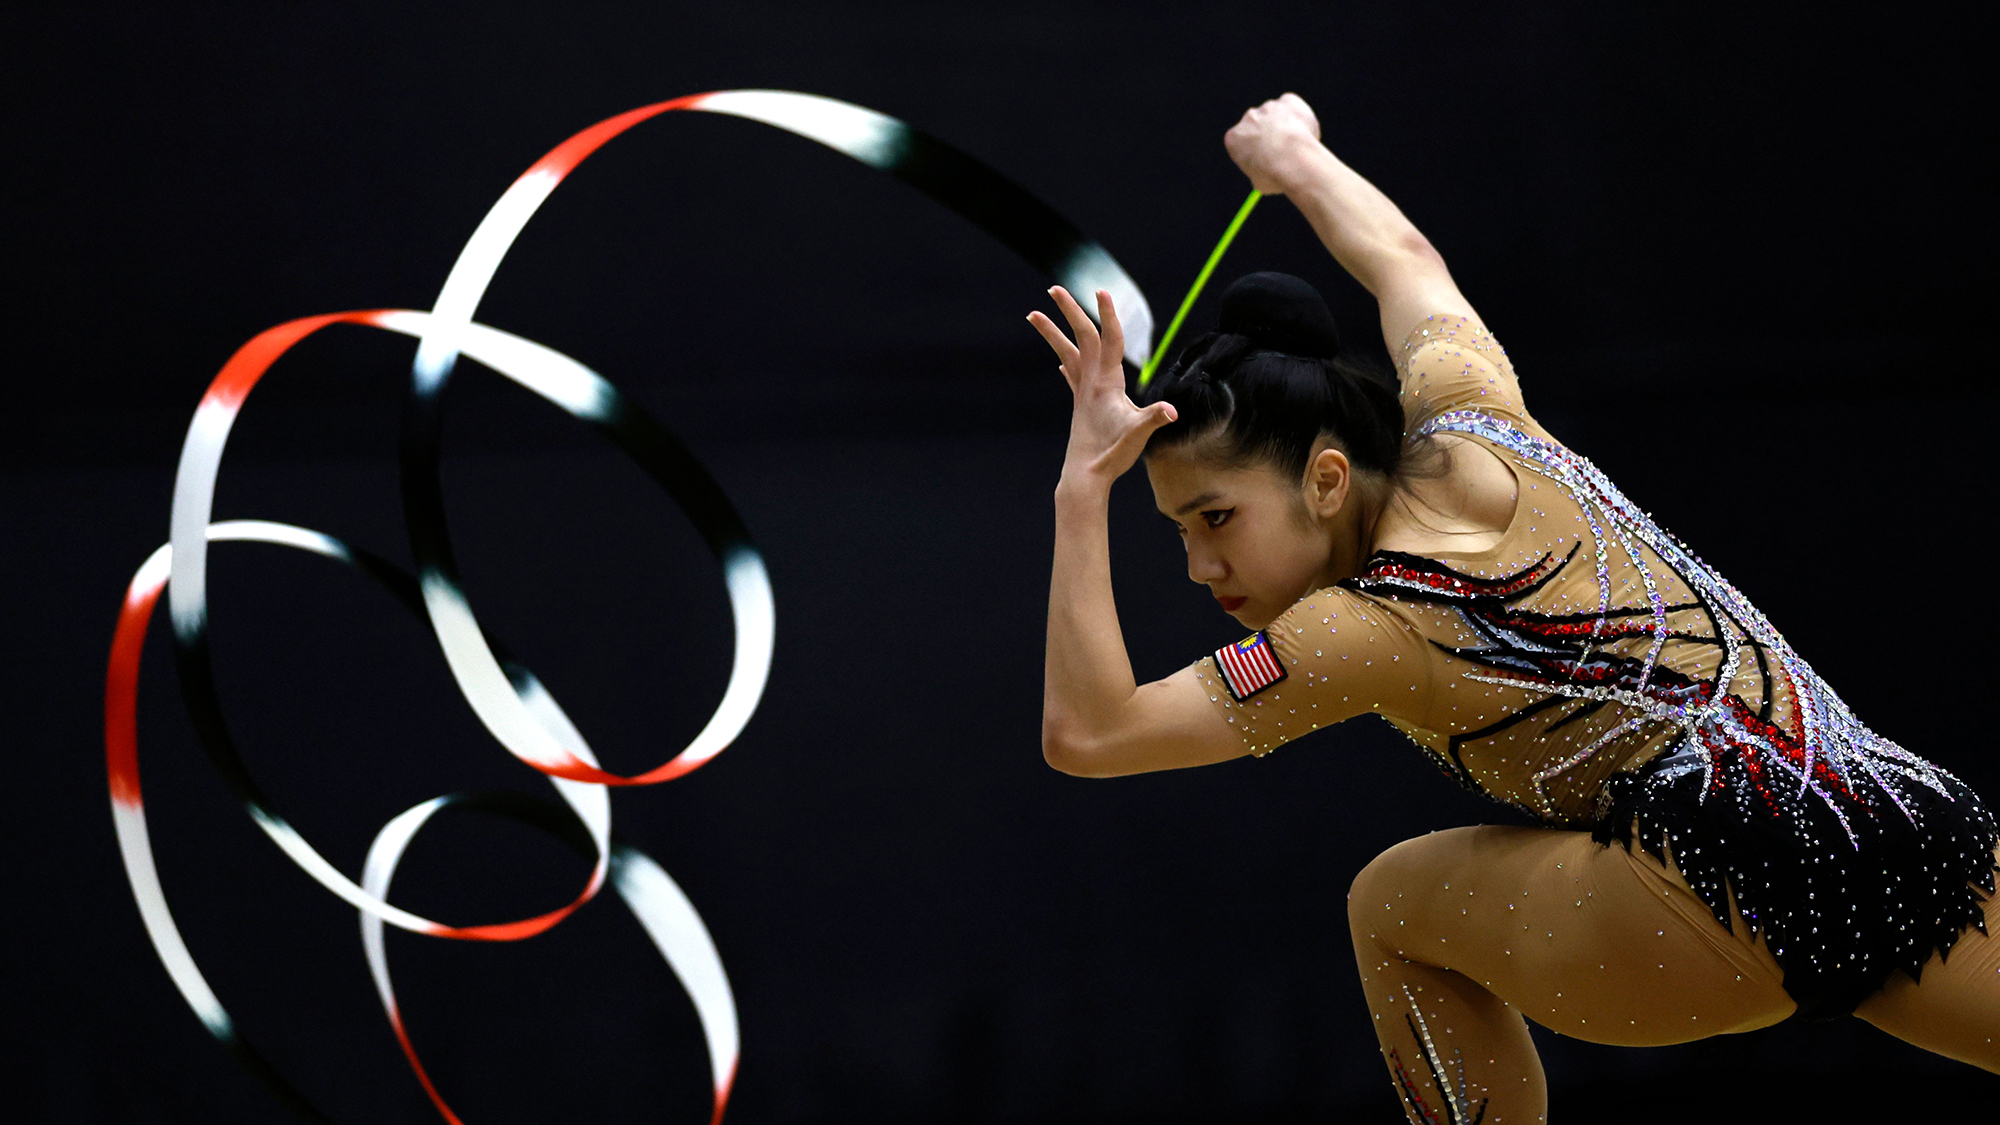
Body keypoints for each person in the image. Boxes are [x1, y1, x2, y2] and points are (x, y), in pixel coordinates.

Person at [1025, 93, 2000, 1122]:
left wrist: (1080, 491)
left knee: (1390, 905)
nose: (1197, 565)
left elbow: (1091, 734)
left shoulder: (1365, 624)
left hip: (1704, 888)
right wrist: (1298, 158)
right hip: (1897, 824)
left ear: (1325, 479)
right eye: (1177, 530)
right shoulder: (1474, 405)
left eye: (1215, 517)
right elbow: (1403, 260)